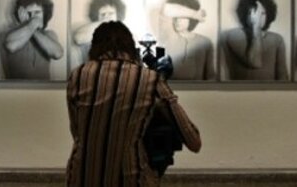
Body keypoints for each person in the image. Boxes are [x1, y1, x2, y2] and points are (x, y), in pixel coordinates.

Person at [66, 20, 201, 187]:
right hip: (129, 178)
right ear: (131, 47)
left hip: (81, 178)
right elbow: (193, 141)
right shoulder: (149, 78)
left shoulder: (78, 75)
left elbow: (77, 131)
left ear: (94, 48)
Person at [221, 0, 288, 81]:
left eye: (262, 13)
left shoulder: (277, 39)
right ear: (245, 14)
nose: (258, 17)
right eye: (253, 13)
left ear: (269, 14)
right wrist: (256, 26)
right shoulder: (234, 35)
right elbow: (255, 62)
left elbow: (283, 75)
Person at [1, 0, 63, 79]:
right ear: (20, 14)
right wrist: (31, 25)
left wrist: (32, 27)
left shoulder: (49, 34)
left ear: (45, 14)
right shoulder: (8, 33)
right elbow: (11, 46)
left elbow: (57, 54)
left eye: (37, 12)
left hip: (44, 87)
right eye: (29, 13)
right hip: (15, 87)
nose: (33, 17)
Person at [156, 0, 215, 81]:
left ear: (191, 19)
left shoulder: (204, 42)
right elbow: (160, 76)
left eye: (182, 17)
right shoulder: (165, 42)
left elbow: (210, 75)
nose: (178, 21)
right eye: (175, 17)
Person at [71, 0, 125, 68]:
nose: (106, 16)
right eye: (103, 14)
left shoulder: (125, 32)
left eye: (110, 13)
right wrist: (102, 23)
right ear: (96, 16)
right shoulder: (89, 30)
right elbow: (78, 39)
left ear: (118, 15)